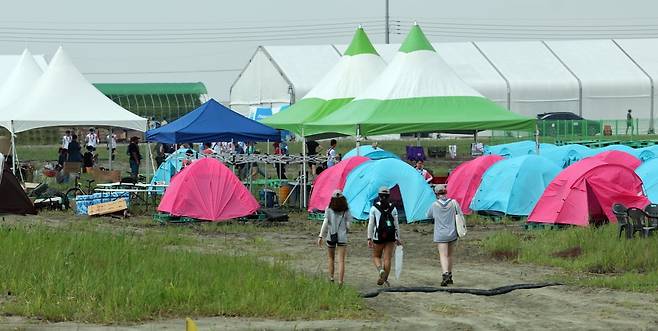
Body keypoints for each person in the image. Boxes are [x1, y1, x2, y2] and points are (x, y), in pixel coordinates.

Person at [426, 184, 463, 287]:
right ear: (446, 192)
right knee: (450, 255)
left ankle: (445, 274)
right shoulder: (454, 203)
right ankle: (450, 275)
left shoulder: (434, 205)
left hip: (440, 234)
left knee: (443, 255)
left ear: (436, 194)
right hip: (452, 233)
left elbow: (428, 215)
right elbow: (460, 214)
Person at [367, 187, 402, 286]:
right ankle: (385, 278)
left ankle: (380, 270)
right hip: (391, 237)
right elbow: (396, 224)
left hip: (378, 236)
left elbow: (371, 224)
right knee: (387, 259)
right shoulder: (393, 208)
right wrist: (398, 237)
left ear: (378, 196)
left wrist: (369, 238)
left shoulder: (374, 208)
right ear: (389, 196)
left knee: (376, 256)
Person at [317, 190, 352, 286]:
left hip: (331, 236)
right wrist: (345, 231)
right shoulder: (346, 210)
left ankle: (331, 278)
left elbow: (325, 223)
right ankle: (340, 282)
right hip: (342, 237)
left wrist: (320, 235)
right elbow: (348, 226)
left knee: (330, 258)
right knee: (341, 260)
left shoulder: (329, 209)